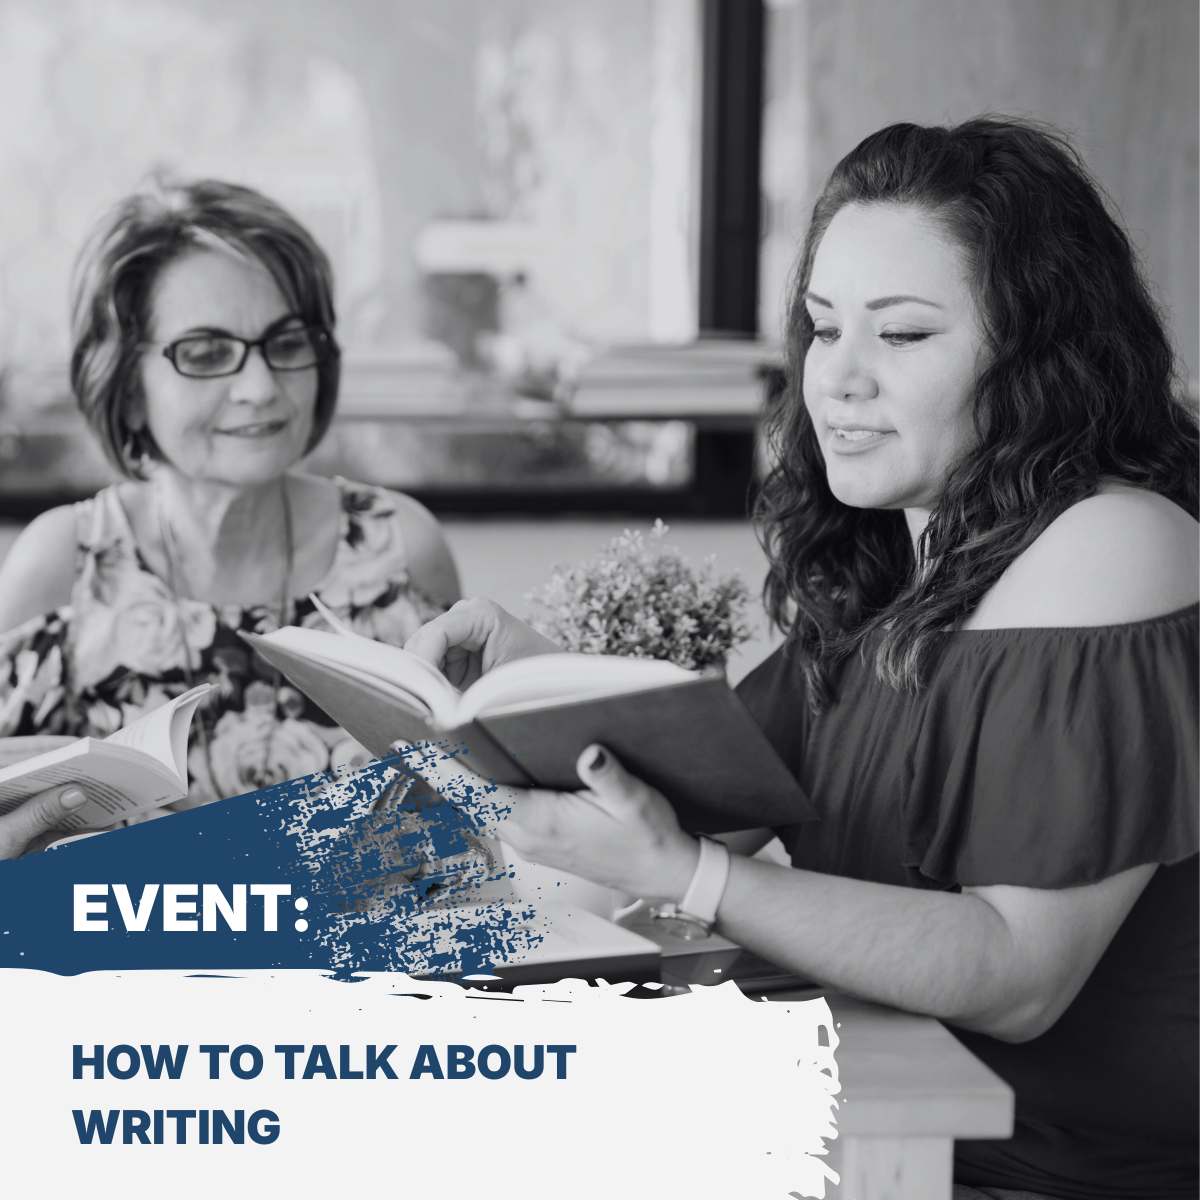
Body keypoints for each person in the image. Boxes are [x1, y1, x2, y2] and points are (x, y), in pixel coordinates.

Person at [402, 118, 1198, 1200]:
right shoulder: (900, 555)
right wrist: (530, 686)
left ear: (1041, 355)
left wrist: (690, 877)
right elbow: (715, 794)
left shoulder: (1116, 541)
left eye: (905, 336)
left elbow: (1017, 977)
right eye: (824, 329)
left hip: (1029, 1173)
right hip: (867, 1129)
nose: (839, 382)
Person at [0, 179, 460, 823]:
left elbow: (469, 821)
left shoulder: (402, 548)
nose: (260, 386)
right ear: (129, 387)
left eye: (287, 342)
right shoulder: (61, 566)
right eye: (208, 352)